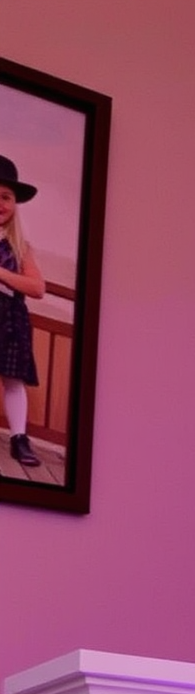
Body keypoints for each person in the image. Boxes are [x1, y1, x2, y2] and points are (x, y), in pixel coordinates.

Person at [0, 155, 45, 468]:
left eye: (6, 197)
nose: (0, 203)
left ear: (15, 204)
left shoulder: (20, 246)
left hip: (9, 318)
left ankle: (19, 437)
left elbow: (37, 288)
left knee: (13, 380)